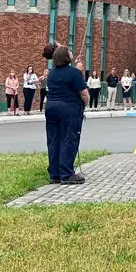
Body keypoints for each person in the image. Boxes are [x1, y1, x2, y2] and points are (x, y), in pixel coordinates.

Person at [43, 43, 88, 184]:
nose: (71, 52)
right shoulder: (74, 73)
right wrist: (83, 105)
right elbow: (84, 94)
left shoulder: (51, 73)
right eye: (69, 51)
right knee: (69, 139)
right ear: (66, 57)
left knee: (54, 140)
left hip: (51, 108)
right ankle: (67, 173)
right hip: (69, 109)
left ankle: (55, 174)